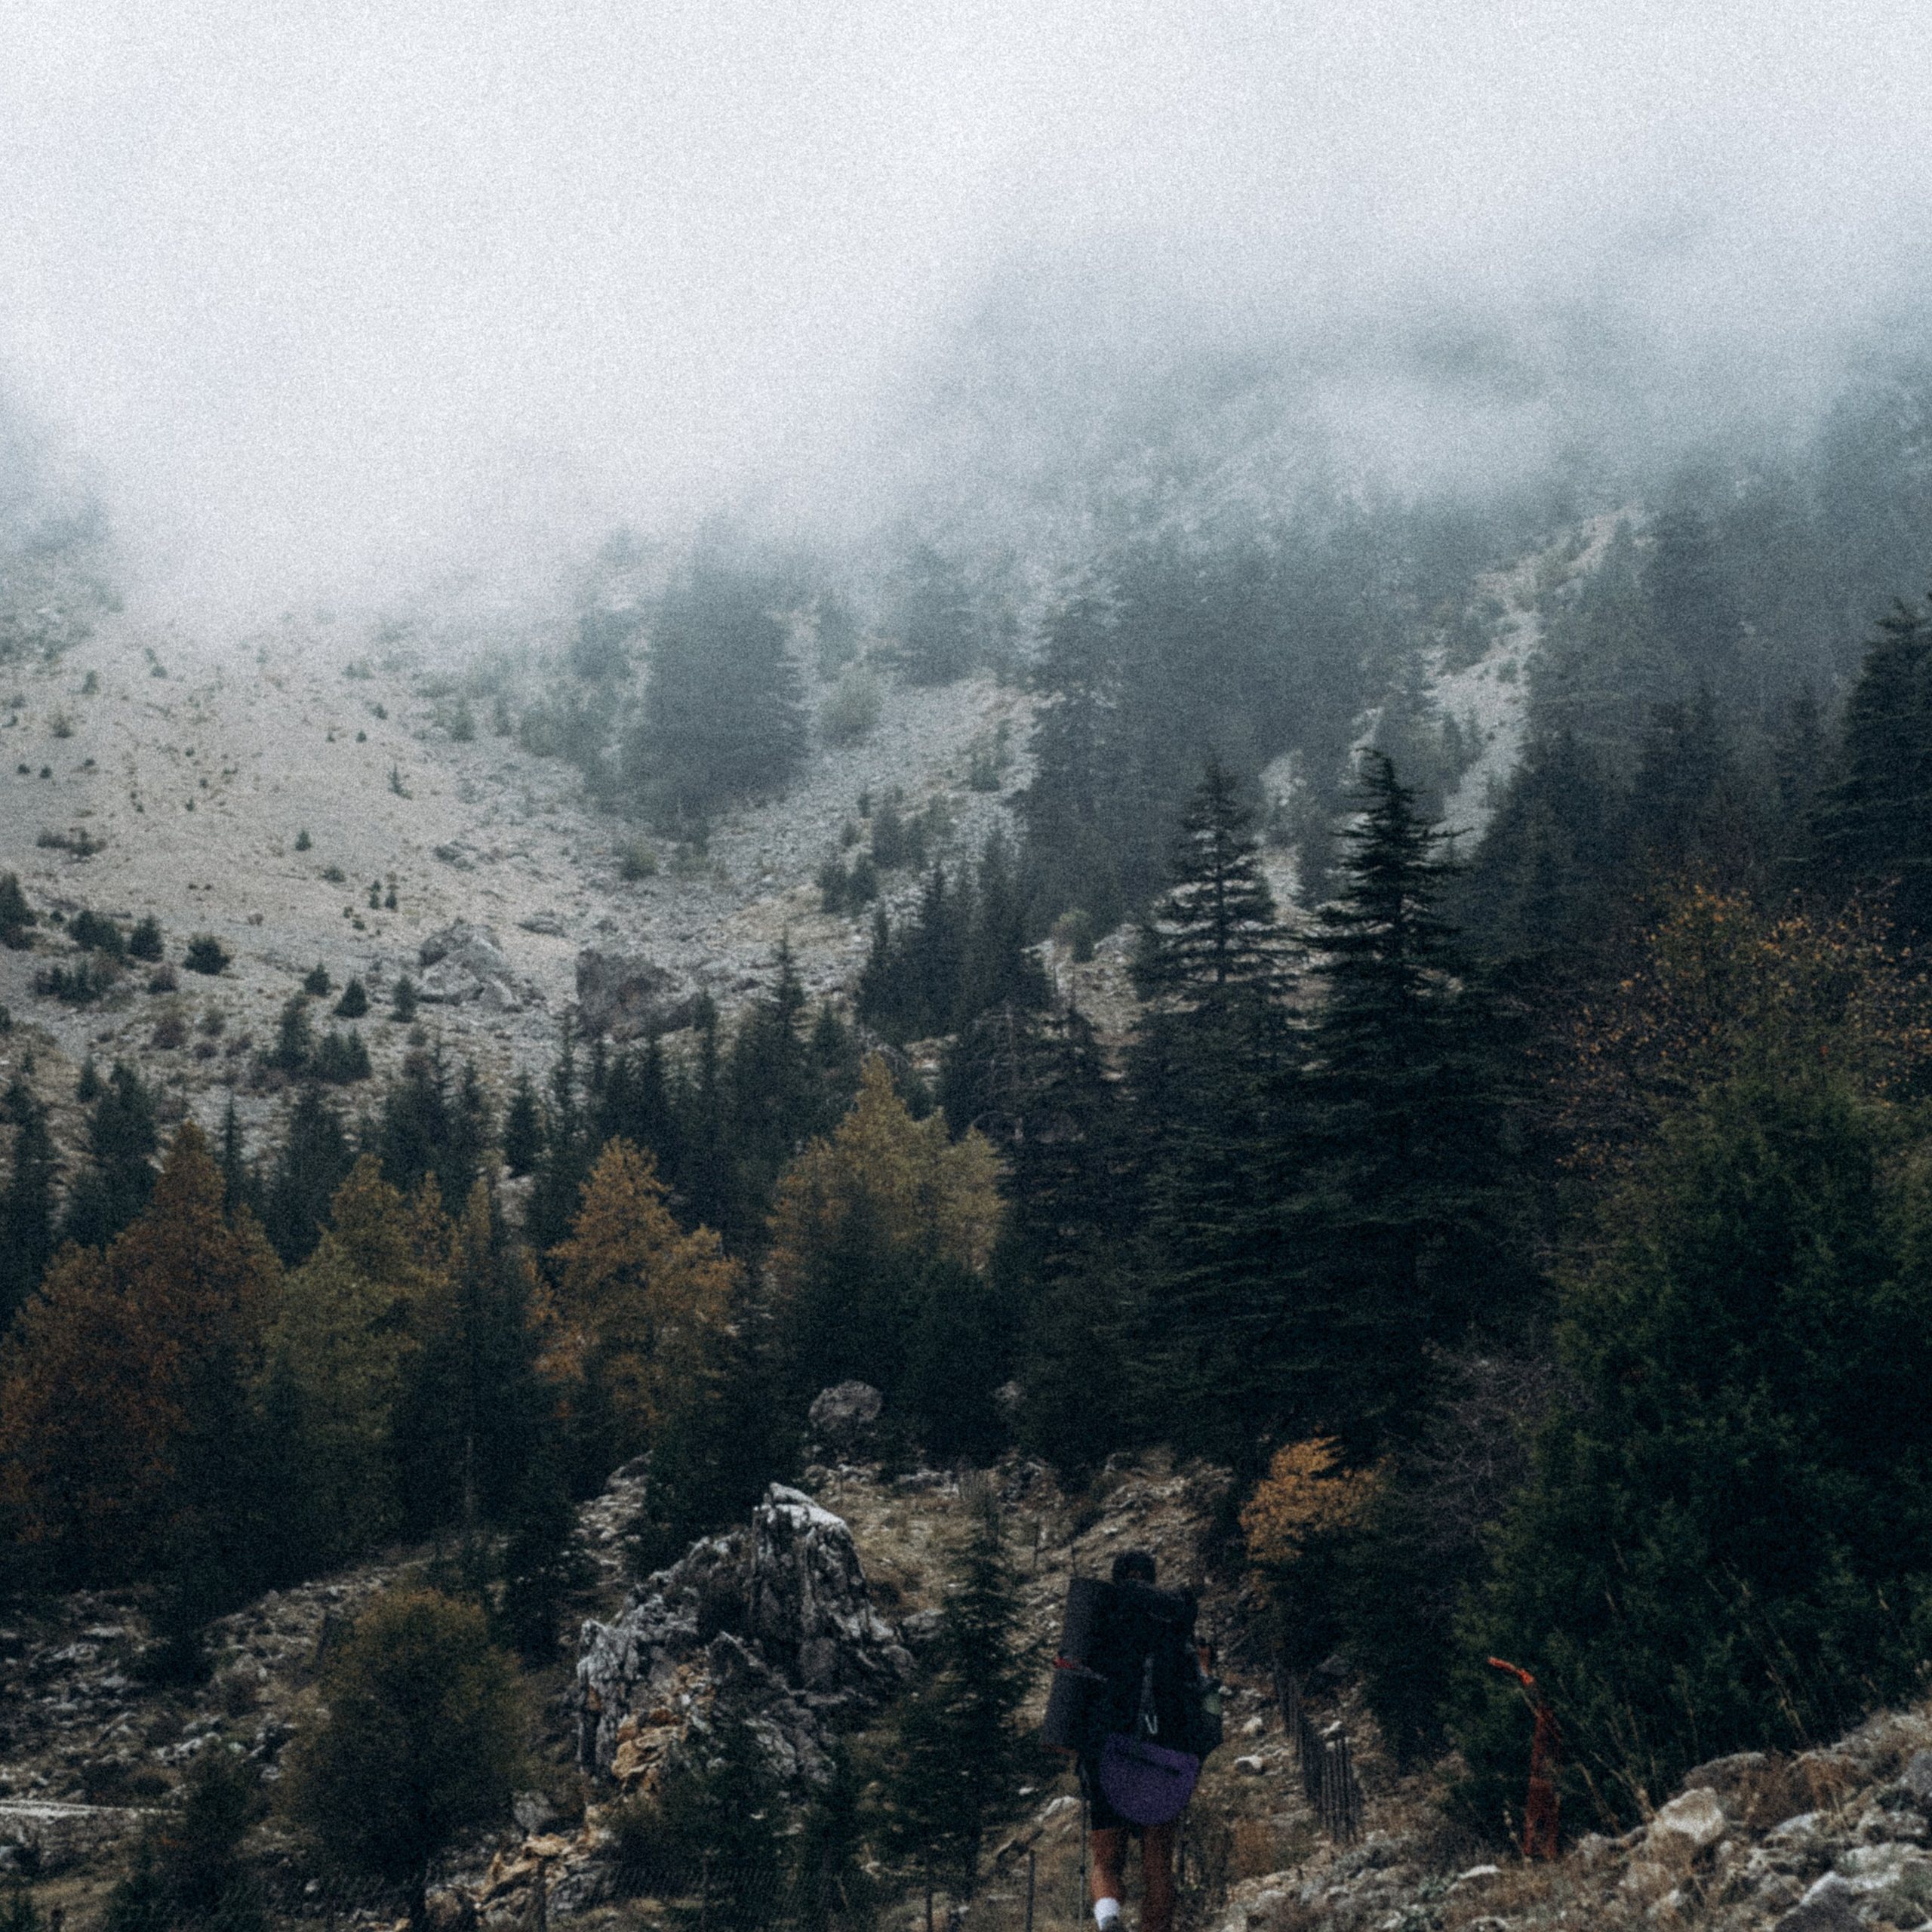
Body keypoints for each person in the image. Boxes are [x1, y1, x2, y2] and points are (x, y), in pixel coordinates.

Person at [1079, 1550, 1203, 1932]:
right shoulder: (1175, 1616)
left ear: (1117, 1577)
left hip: (1108, 1749)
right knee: (1159, 1864)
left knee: (1106, 1861)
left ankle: (1109, 1920)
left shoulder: (1101, 1615)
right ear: (1153, 1577)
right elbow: (1197, 1691)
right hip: (1166, 1752)